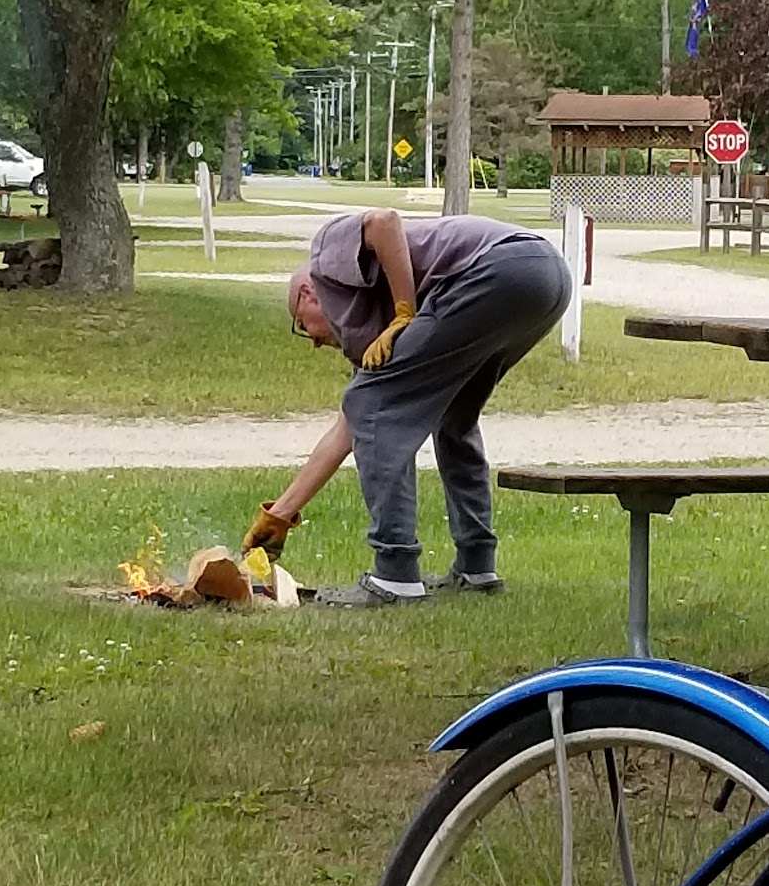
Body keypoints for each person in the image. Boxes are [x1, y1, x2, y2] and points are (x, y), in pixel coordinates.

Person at [241, 207, 571, 607]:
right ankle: (476, 566)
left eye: (301, 324)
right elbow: (350, 428)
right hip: (545, 275)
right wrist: (281, 513)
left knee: (372, 402)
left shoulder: (326, 255)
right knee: (454, 417)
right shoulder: (369, 328)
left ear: (307, 295)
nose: (311, 340)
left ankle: (395, 575)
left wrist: (404, 311)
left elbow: (385, 222)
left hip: (498, 269)